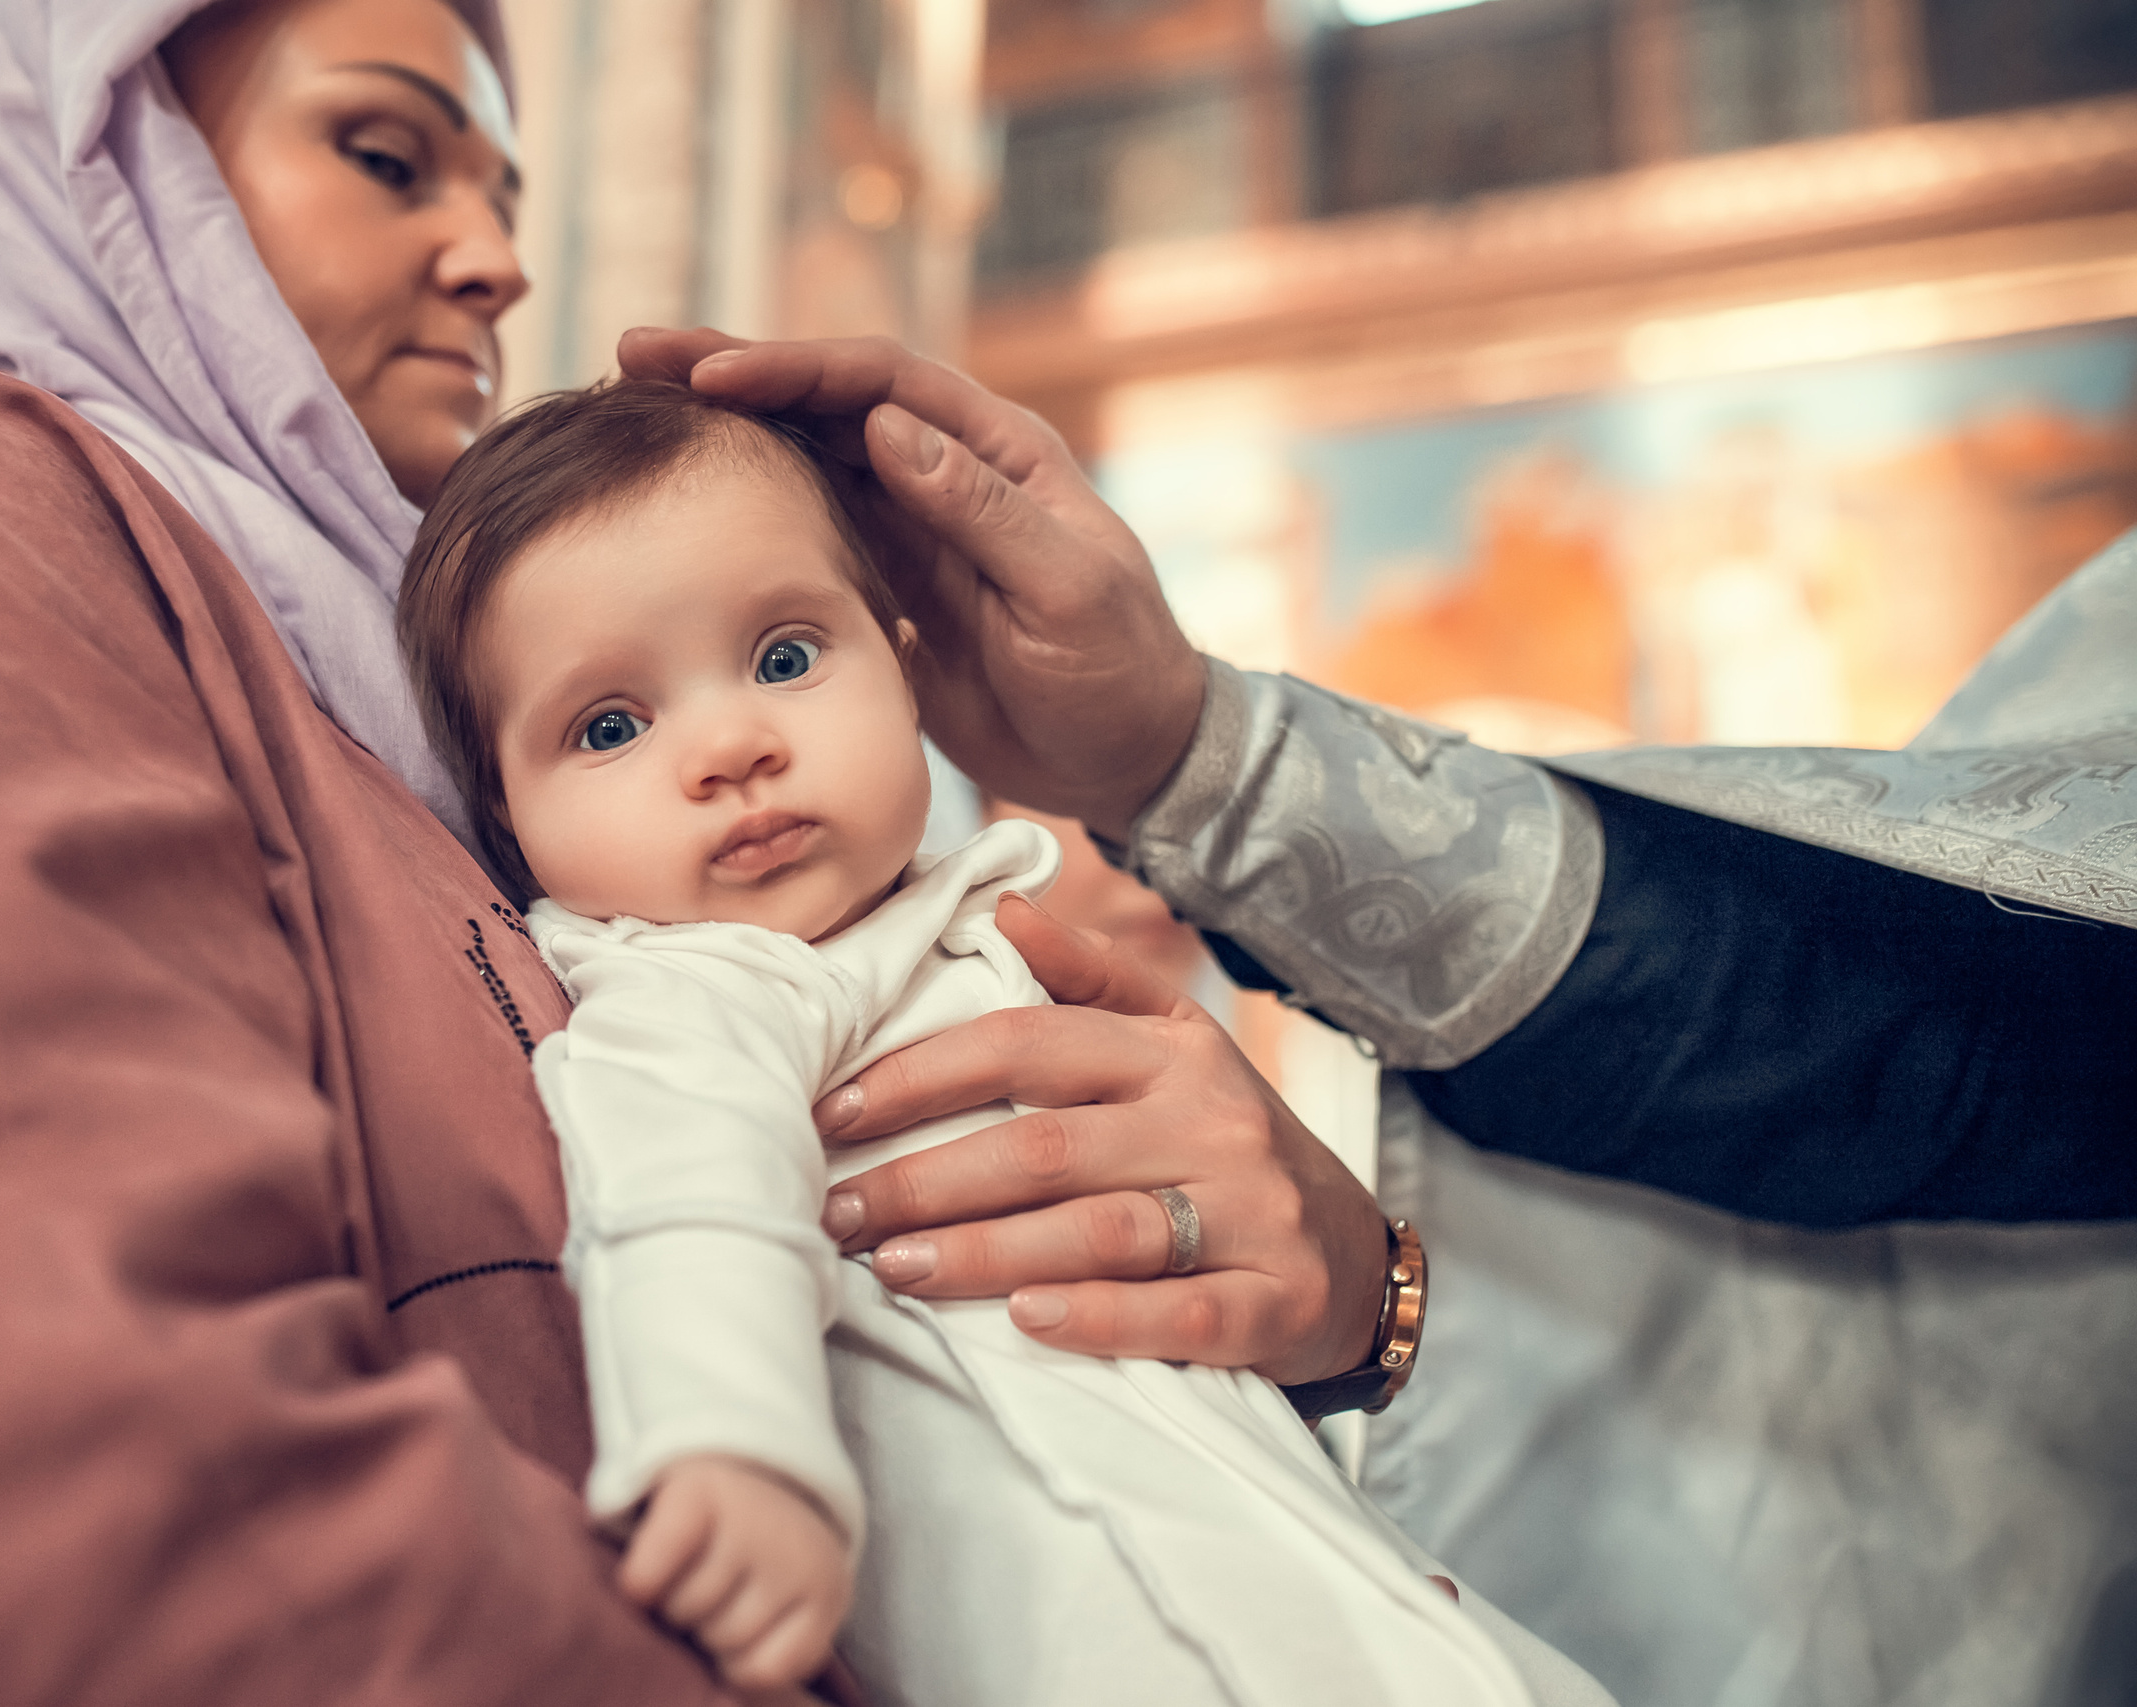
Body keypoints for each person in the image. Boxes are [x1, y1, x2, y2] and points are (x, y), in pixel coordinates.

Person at [0, 0, 1388, 1702]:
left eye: (506, 198)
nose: (495, 260)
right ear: (90, 160)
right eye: (388, 155)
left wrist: (1329, 1335)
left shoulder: (383, 739)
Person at [398, 377, 1613, 1707]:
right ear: (509, 823)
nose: (732, 746)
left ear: (905, 670)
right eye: (610, 728)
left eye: (786, 658)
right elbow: (687, 1199)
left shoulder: (966, 927)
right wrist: (735, 1448)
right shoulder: (695, 987)